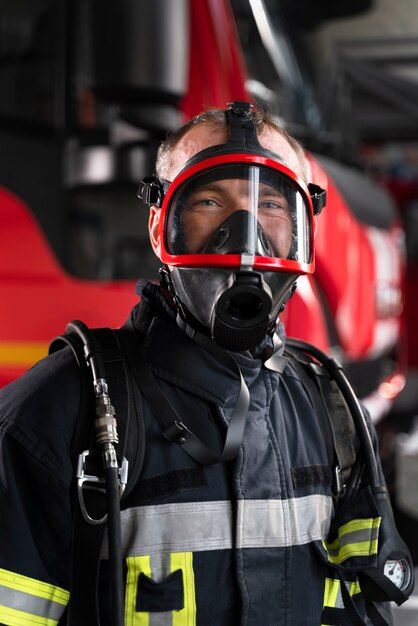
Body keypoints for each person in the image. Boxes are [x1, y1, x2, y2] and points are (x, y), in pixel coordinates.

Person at [0, 101, 411, 626]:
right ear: (159, 228)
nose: (244, 237)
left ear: (303, 231)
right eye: (211, 201)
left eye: (270, 206)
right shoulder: (51, 416)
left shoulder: (329, 412)